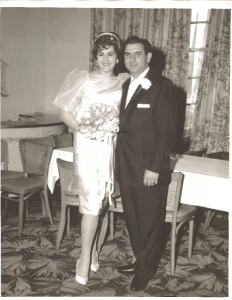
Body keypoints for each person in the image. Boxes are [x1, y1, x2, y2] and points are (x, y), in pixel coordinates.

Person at [53, 32, 129, 286]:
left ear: (118, 57)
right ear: (95, 56)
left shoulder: (124, 82)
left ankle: (94, 248)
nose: (105, 59)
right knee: (91, 202)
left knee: (103, 200)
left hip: (111, 148)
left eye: (110, 54)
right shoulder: (84, 79)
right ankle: (84, 257)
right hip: (87, 146)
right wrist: (84, 128)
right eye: (100, 54)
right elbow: (65, 112)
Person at [115, 36, 178, 291]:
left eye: (137, 54)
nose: (132, 59)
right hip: (126, 165)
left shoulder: (163, 87)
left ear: (148, 57)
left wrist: (155, 167)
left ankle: (146, 269)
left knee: (150, 222)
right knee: (133, 220)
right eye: (127, 55)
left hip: (149, 169)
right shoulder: (124, 86)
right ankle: (140, 258)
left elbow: (167, 133)